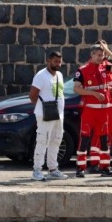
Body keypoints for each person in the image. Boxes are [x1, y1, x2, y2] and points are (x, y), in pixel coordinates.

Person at [73, 42, 112, 178]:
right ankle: (80, 167)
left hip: (104, 111)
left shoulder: (105, 67)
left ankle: (105, 167)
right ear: (92, 54)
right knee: (84, 139)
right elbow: (76, 88)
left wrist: (108, 51)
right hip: (90, 111)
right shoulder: (83, 70)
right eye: (99, 55)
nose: (101, 57)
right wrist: (94, 94)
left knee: (103, 140)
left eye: (103, 55)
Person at [29, 50, 68, 181]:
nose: (58, 64)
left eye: (59, 61)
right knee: (42, 140)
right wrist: (42, 108)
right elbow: (32, 95)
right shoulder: (41, 75)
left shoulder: (60, 75)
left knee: (56, 140)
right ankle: (37, 170)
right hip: (44, 114)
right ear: (49, 61)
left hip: (58, 115)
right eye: (55, 61)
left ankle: (53, 169)